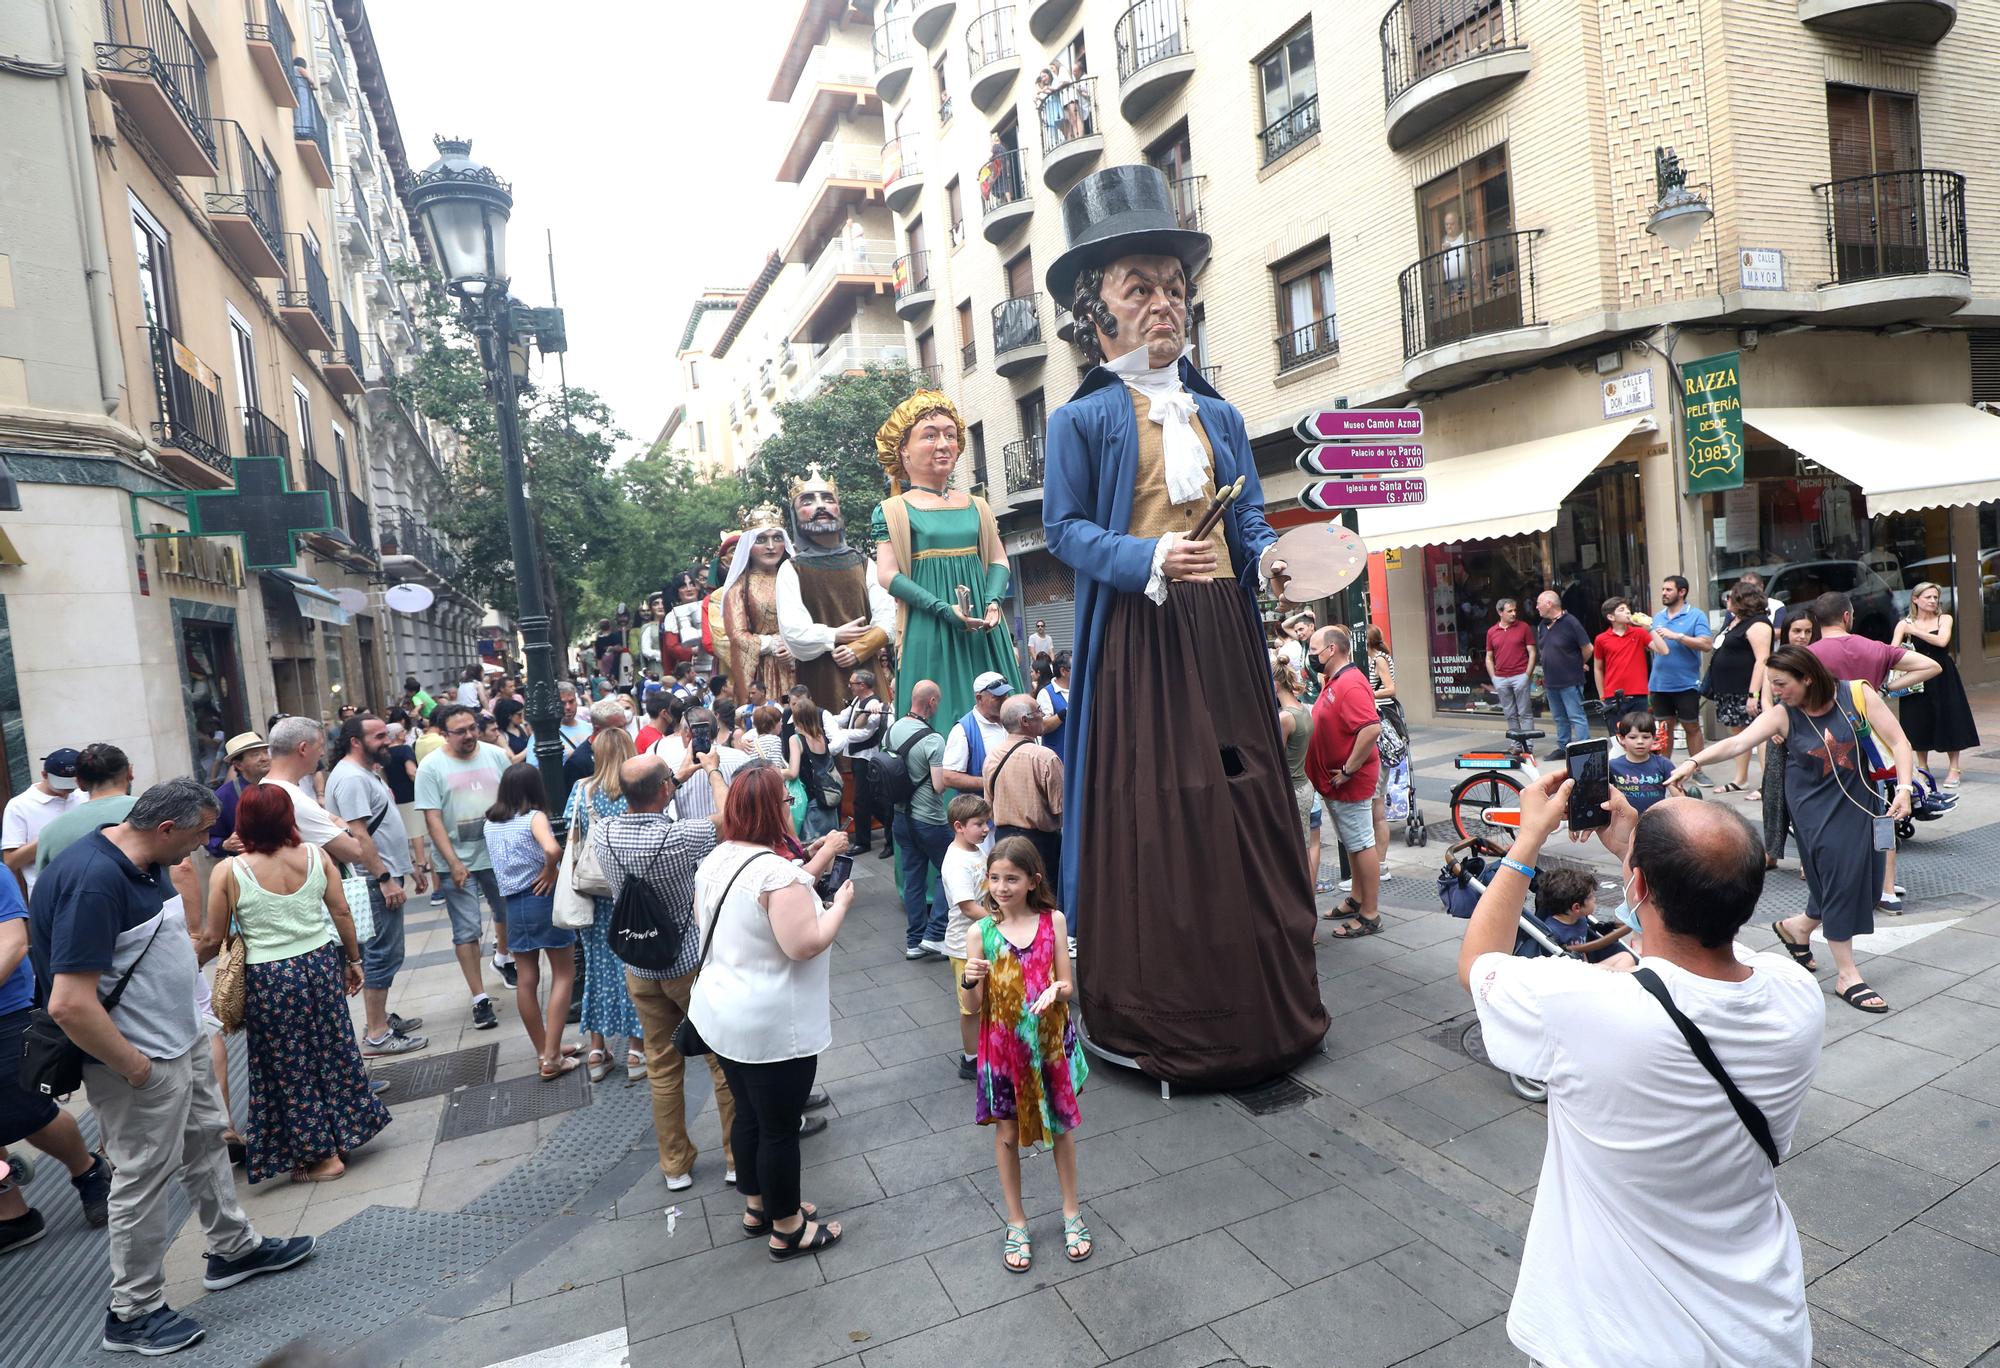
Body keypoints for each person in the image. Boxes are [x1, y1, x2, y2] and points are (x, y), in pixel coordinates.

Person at [1042, 164, 1322, 1085]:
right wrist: (1150, 557)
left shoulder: (1221, 412)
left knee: (1247, 795)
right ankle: (1164, 1004)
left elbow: (1244, 517)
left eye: (1174, 288)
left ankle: (1263, 993)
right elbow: (1064, 530)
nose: (1164, 304)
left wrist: (1270, 559)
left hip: (1224, 636)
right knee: (1157, 811)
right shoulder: (1081, 419)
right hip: (1141, 641)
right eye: (1141, 289)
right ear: (1100, 311)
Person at [1455, 769, 1821, 1367]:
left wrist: (1524, 844)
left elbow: (1479, 963)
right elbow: (1698, 931)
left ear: (1638, 884)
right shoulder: (1795, 995)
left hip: (1612, 1339)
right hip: (1761, 1330)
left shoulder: (1585, 1006)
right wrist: (1635, 846)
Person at [33, 779, 315, 1354]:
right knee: (141, 1181)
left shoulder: (141, 859)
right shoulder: (95, 880)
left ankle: (232, 1248)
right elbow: (68, 1002)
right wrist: (137, 1068)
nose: (201, 848)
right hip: (141, 1061)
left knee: (207, 1143)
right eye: (196, 837)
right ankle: (132, 1311)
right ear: (164, 829)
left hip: (176, 1043)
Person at [1669, 644, 1913, 1014]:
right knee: (1839, 876)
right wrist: (1692, 761)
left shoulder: (1857, 693)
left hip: (1863, 801)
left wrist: (1907, 789)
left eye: (1781, 683)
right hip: (1814, 808)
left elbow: (1898, 741)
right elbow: (1738, 742)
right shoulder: (1784, 715)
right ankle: (1847, 974)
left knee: (1863, 874)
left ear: (1808, 677)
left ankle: (1797, 927)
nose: (1776, 692)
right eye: (1772, 684)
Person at [688, 766, 854, 1257]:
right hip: (770, 1025)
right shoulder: (777, 874)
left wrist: (818, 860)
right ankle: (788, 1228)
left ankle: (757, 1205)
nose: (790, 804)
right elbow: (804, 944)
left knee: (749, 1116)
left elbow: (776, 894)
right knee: (780, 1127)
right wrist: (839, 905)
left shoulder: (717, 858)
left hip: (722, 1013)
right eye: (784, 799)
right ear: (774, 809)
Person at [199, 784, 388, 1184]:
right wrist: (352, 961)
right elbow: (341, 912)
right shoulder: (316, 856)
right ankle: (346, 1133)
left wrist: (186, 965)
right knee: (333, 1050)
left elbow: (213, 938)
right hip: (319, 964)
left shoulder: (229, 871)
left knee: (289, 1065)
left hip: (269, 977)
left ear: (243, 821)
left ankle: (321, 1156)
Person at [595, 752, 741, 1190]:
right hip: (688, 965)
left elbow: (647, 791)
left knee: (661, 1063)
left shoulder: (604, 834)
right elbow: (731, 814)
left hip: (639, 965)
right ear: (664, 791)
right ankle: (736, 1157)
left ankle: (675, 1163)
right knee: (722, 1061)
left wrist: (673, 776)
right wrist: (712, 769)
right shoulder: (682, 836)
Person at [962, 836, 1089, 1272]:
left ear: (1033, 880)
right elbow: (976, 1007)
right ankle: (1016, 1220)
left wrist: (1057, 988)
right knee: (1007, 1136)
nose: (1001, 887)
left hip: (1049, 1048)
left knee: (1061, 1129)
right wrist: (969, 978)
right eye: (995, 878)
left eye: (1011, 878)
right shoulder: (979, 933)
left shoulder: (1052, 920)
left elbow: (1068, 985)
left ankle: (1071, 1210)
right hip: (1003, 1053)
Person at [871, 395, 1023, 722]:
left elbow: (998, 560)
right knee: (939, 723)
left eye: (950, 435)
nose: (943, 444)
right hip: (929, 629)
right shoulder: (893, 510)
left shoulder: (977, 505)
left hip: (983, 627)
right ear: (903, 450)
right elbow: (887, 575)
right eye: (930, 435)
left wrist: (993, 601)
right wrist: (944, 610)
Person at [0, 856, 113, 1256]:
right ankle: (12, 1213)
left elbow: (14, 942)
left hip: (6, 1011)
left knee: (28, 1111)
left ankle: (88, 1171)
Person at [1807, 591, 1938, 913]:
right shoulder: (1874, 648)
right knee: (1882, 812)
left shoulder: (1808, 656)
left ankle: (1844, 885)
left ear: (1816, 621)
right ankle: (1887, 888)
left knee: (1834, 815)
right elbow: (1930, 665)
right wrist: (1887, 688)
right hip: (1874, 742)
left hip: (1826, 743)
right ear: (1848, 616)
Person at [325, 717, 428, 1058]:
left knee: (384, 953)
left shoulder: (363, 771)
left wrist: (406, 867)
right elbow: (360, 835)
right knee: (383, 954)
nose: (388, 741)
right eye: (379, 736)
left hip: (383, 874)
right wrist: (384, 879)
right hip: (374, 880)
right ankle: (377, 1035)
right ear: (356, 741)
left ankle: (379, 1019)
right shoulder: (352, 777)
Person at [415, 703, 517, 1028]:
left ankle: (503, 957)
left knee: (508, 915)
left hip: (498, 855)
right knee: (467, 930)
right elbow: (432, 818)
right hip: (456, 863)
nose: (470, 735)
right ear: (444, 734)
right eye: (461, 731)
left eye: (473, 728)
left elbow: (513, 802)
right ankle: (480, 998)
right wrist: (453, 862)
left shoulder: (495, 756)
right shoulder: (431, 767)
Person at [482, 764, 577, 1079]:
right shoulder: (534, 818)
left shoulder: (491, 823)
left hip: (514, 905)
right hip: (542, 898)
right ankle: (552, 1056)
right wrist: (550, 869)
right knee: (564, 973)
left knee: (526, 978)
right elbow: (552, 848)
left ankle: (544, 1050)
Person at [776, 465, 897, 714]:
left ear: (838, 508)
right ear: (796, 515)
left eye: (828, 499)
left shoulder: (863, 563)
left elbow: (889, 619)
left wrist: (858, 648)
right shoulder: (792, 569)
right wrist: (834, 636)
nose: (821, 506)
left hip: (868, 673)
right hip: (820, 678)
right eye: (808, 501)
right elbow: (794, 633)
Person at [564, 724, 646, 1083]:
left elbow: (571, 829)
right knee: (634, 968)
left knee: (598, 970)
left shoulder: (581, 790)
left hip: (593, 898)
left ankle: (597, 1051)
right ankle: (636, 1050)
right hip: (629, 893)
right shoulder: (634, 791)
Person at [1306, 626, 1383, 940]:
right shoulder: (1335, 680)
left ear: (1332, 650)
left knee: (1362, 843)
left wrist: (1349, 770)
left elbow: (1370, 729)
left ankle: (1370, 914)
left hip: (1350, 782)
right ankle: (1357, 898)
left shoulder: (1350, 683)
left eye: (1314, 648)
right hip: (1337, 782)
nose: (1311, 653)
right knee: (1353, 842)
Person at [885, 680, 952, 960]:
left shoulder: (892, 729)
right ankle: (936, 934)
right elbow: (938, 786)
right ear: (932, 703)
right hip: (930, 820)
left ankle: (914, 941)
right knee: (951, 871)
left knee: (913, 879)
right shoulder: (933, 739)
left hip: (900, 818)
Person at [1890, 581, 1978, 789]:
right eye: (1928, 597)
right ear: (1915, 599)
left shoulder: (1944, 618)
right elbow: (1892, 651)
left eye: (1935, 597)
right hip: (1916, 676)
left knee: (1949, 717)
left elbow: (1942, 641)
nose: (1932, 601)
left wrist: (1914, 630)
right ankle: (1923, 768)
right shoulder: (1903, 623)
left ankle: (1954, 768)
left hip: (1943, 674)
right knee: (1917, 720)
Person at [712, 507, 799, 711]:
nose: (771, 546)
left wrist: (796, 647)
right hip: (762, 670)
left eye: (777, 538)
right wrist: (773, 643)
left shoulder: (798, 578)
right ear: (748, 545)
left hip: (799, 664)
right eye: (761, 540)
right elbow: (737, 636)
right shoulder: (739, 587)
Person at [982, 694, 1063, 898]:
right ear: (1024, 721)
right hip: (1040, 843)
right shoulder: (1045, 757)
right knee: (1044, 900)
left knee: (1010, 900)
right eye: (1038, 712)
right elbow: (1062, 808)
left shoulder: (992, 756)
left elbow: (988, 803)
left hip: (1003, 840)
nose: (1043, 716)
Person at [1760, 615, 1820, 868]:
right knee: (1773, 792)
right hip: (1777, 732)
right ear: (1786, 632)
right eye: (1797, 630)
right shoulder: (1775, 662)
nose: (1802, 636)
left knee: (1806, 795)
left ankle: (1809, 859)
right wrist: (1771, 725)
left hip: (1808, 733)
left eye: (1807, 631)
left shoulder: (1815, 659)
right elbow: (1766, 699)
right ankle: (1771, 851)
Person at [940, 794, 991, 1082]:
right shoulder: (957, 862)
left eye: (986, 822)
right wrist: (1002, 921)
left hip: (981, 940)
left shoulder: (974, 851)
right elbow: (968, 907)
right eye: (979, 824)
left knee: (983, 1001)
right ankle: (971, 1059)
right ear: (959, 826)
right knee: (970, 1006)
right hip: (963, 946)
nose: (985, 829)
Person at [1707, 583, 1775, 796]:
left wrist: (1753, 694)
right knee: (1739, 733)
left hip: (1747, 689)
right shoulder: (1735, 621)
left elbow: (1762, 659)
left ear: (1742, 600)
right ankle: (1741, 778)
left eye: (1730, 597)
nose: (1726, 600)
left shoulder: (1758, 624)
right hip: (1729, 688)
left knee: (1761, 735)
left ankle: (1767, 783)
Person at [34, 743, 135, 873]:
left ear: (79, 783)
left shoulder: (49, 833)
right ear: (130, 772)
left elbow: (45, 889)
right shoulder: (156, 812)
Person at [1646, 574, 1714, 762]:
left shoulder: (1696, 615)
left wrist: (1678, 636)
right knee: (1663, 729)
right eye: (1663, 589)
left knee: (1691, 726)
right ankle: (1663, 769)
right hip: (1660, 683)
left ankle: (1696, 767)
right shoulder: (1657, 617)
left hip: (1686, 683)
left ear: (1682, 592)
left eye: (1668, 590)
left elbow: (1707, 644)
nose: (1664, 593)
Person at [3, 748, 82, 895]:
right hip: (47, 893)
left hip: (88, 887)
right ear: (44, 775)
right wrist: (50, 837)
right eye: (61, 783)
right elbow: (10, 861)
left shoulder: (84, 796)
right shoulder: (19, 805)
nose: (67, 789)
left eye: (72, 783)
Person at [835, 670, 894, 858]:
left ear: (862, 685)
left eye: (852, 683)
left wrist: (839, 735)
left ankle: (868, 841)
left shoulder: (874, 704)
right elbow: (843, 718)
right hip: (858, 757)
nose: (849, 686)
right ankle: (869, 839)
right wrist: (822, 720)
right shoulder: (855, 702)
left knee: (868, 800)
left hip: (868, 758)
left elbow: (865, 733)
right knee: (865, 800)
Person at [1273, 655, 1318, 889]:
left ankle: (1306, 909)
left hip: (1294, 789)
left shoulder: (1285, 718)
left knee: (1298, 853)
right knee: (1305, 848)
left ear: (1276, 684)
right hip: (1304, 786)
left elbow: (1275, 757)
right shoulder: (1302, 710)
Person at [1364, 626, 1403, 880]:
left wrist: (1366, 692)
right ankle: (1377, 864)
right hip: (1381, 722)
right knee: (1376, 806)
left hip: (1382, 722)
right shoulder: (1376, 657)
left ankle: (1379, 865)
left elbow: (1390, 688)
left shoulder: (1377, 659)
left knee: (1376, 806)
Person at [937, 672, 1011, 801]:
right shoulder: (962, 730)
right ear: (979, 698)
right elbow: (948, 777)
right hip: (984, 814)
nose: (1005, 701)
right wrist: (990, 783)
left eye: (1006, 695)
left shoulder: (1011, 719)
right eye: (998, 697)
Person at [1535, 590, 1592, 755]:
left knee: (1576, 716)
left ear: (1549, 604)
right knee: (1559, 718)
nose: (1537, 607)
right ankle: (1563, 747)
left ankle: (1584, 749)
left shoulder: (1571, 622)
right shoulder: (1542, 625)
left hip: (1570, 679)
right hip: (1551, 680)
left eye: (1539, 603)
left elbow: (1588, 648)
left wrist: (1579, 663)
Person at [786, 701, 848, 843]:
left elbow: (793, 772)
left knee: (813, 848)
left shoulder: (796, 739)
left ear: (797, 718)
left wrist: (776, 770)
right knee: (831, 846)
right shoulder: (821, 737)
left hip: (811, 800)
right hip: (828, 796)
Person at [205, 733, 271, 859]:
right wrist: (224, 844)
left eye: (265, 752)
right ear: (238, 765)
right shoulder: (223, 796)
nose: (264, 758)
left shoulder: (280, 786)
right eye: (255, 755)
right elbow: (210, 837)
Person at [1592, 597, 1654, 722]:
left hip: (1639, 693)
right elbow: (1598, 668)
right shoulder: (1601, 639)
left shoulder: (1639, 633)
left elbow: (1661, 650)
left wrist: (1649, 627)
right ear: (1611, 617)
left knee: (1639, 732)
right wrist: (1602, 696)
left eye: (1627, 608)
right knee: (1617, 736)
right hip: (1613, 695)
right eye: (1622, 609)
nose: (1627, 611)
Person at [1484, 599, 1537, 736]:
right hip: (1501, 678)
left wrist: (1527, 675)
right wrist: (1494, 678)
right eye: (1510, 611)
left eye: (1515, 610)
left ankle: (1528, 746)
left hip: (1520, 675)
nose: (1514, 613)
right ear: (1500, 612)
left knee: (1525, 713)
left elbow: (1532, 652)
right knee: (1510, 713)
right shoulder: (1492, 632)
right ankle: (1516, 744)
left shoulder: (1524, 627)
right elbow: (1489, 657)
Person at [1610, 711, 1675, 814]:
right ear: (1622, 739)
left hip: (1655, 820)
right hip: (1625, 820)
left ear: (1654, 738)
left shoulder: (1664, 764)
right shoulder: (1612, 766)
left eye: (1645, 737)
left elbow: (1678, 795)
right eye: (1633, 737)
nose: (1640, 741)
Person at [1037, 649, 1073, 768]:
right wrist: (1064, 713)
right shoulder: (1046, 693)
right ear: (1063, 671)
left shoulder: (1080, 690)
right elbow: (1042, 726)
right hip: (1058, 758)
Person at [557, 682, 592, 759]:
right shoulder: (544, 735)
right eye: (562, 703)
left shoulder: (589, 727)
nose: (568, 707)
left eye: (571, 701)